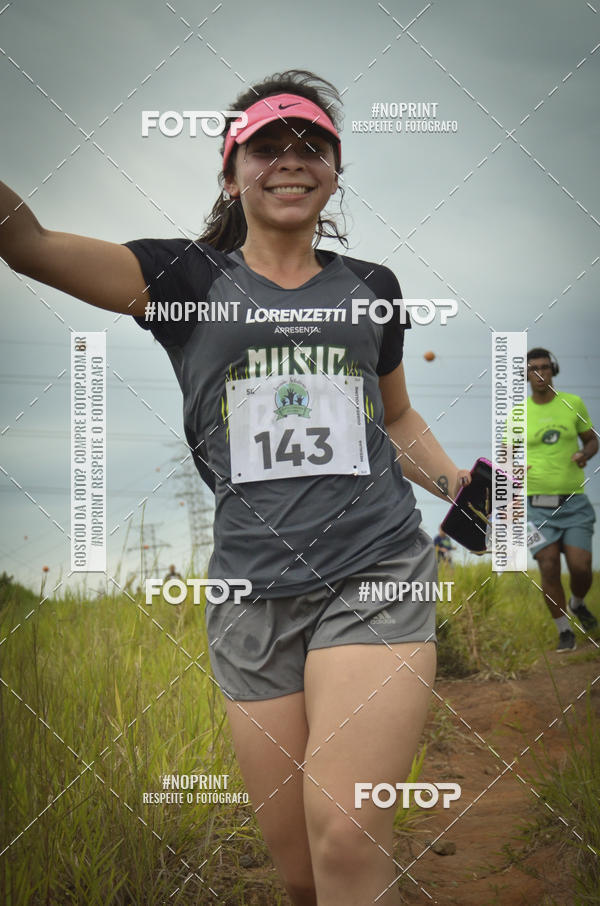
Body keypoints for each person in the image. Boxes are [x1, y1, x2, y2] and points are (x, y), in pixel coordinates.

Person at [1, 69, 472, 906]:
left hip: (376, 573)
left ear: (334, 170)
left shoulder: (373, 290)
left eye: (312, 146)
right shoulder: (183, 281)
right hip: (253, 599)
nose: (291, 161)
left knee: (347, 831)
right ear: (232, 174)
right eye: (267, 148)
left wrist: (456, 484)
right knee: (299, 874)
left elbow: (395, 421)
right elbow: (26, 244)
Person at [526, 347, 598, 652]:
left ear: (553, 369)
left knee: (581, 568)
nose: (541, 373)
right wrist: (513, 465)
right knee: (549, 565)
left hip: (574, 503)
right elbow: (504, 454)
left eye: (545, 367)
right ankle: (564, 630)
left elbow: (592, 439)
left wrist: (584, 454)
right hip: (533, 507)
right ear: (526, 375)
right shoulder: (518, 414)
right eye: (534, 369)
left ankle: (577, 602)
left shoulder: (573, 404)